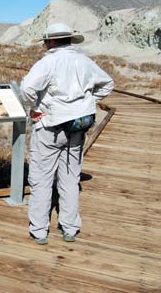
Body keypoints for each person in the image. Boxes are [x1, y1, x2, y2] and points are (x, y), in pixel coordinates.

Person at [20, 23, 114, 245]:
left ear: (52, 41)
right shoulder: (84, 61)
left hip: (51, 127)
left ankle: (40, 231)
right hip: (77, 127)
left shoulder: (48, 62)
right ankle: (69, 228)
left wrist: (35, 108)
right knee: (70, 178)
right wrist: (88, 102)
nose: (44, 45)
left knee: (42, 179)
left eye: (45, 41)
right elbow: (108, 84)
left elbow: (27, 89)